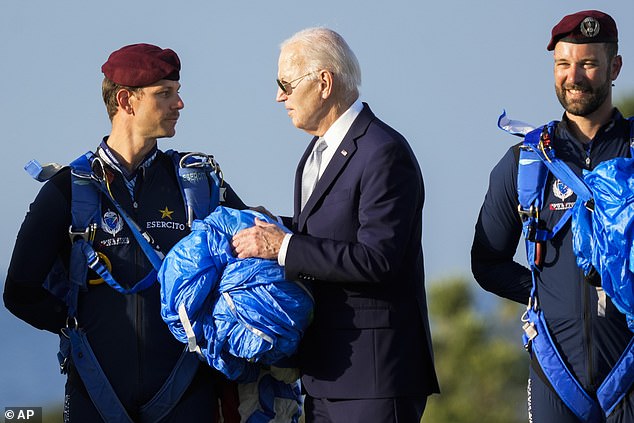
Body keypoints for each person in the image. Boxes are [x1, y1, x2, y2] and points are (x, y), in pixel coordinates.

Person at [3, 43, 246, 422]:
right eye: (165, 94)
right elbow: (19, 292)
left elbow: (259, 248)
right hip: (95, 394)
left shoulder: (197, 184)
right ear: (126, 101)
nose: (179, 104)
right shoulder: (67, 190)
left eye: (177, 93)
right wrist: (77, 327)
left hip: (187, 392)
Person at [231, 27, 439, 423]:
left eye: (285, 84)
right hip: (325, 375)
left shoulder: (383, 151)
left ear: (324, 82)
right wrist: (265, 226)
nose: (279, 96)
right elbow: (326, 233)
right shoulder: (316, 151)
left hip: (374, 378)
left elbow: (379, 258)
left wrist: (282, 246)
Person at [471, 10, 634, 422]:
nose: (573, 76)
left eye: (588, 63)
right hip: (555, 375)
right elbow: (486, 262)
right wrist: (541, 293)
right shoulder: (525, 164)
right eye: (563, 64)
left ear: (614, 67)